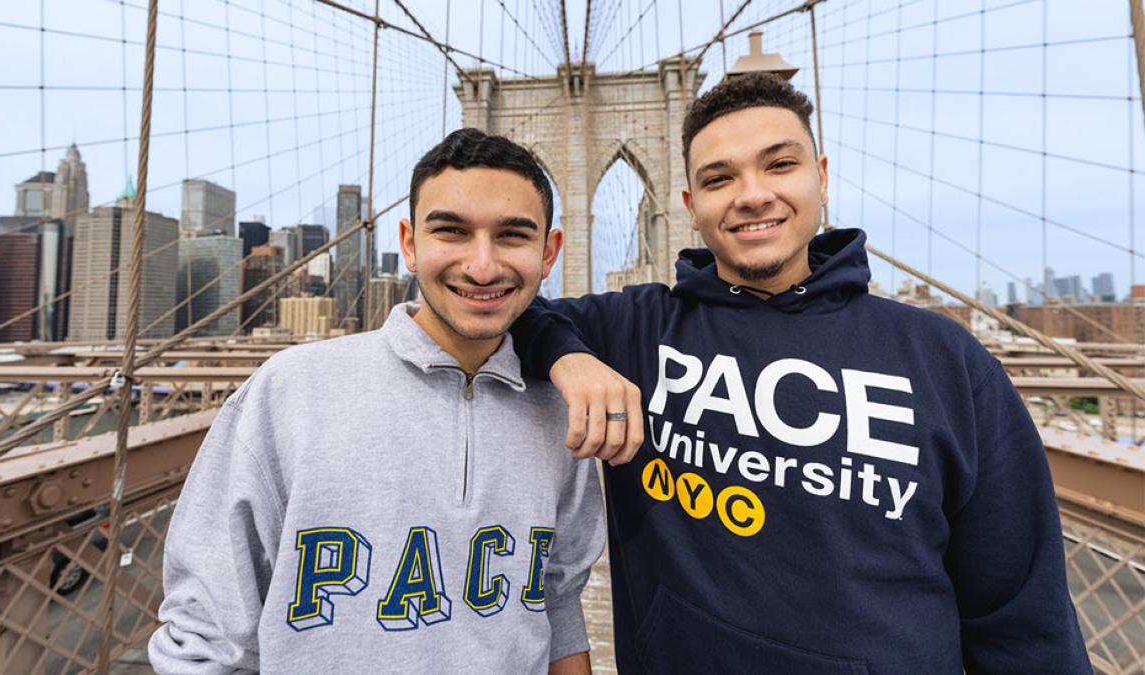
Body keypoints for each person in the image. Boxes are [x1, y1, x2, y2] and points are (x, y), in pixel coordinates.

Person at [509, 72, 1091, 674]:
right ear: (688, 206)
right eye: (718, 178)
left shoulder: (944, 359)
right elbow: (508, 311)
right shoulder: (633, 330)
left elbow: (1022, 614)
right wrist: (569, 357)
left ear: (823, 177)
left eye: (779, 165)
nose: (752, 195)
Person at [150, 128, 606, 674]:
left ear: (548, 252)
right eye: (451, 232)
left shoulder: (562, 413)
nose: (482, 266)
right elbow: (204, 638)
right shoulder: (289, 390)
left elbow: (556, 604)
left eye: (512, 236)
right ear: (410, 244)